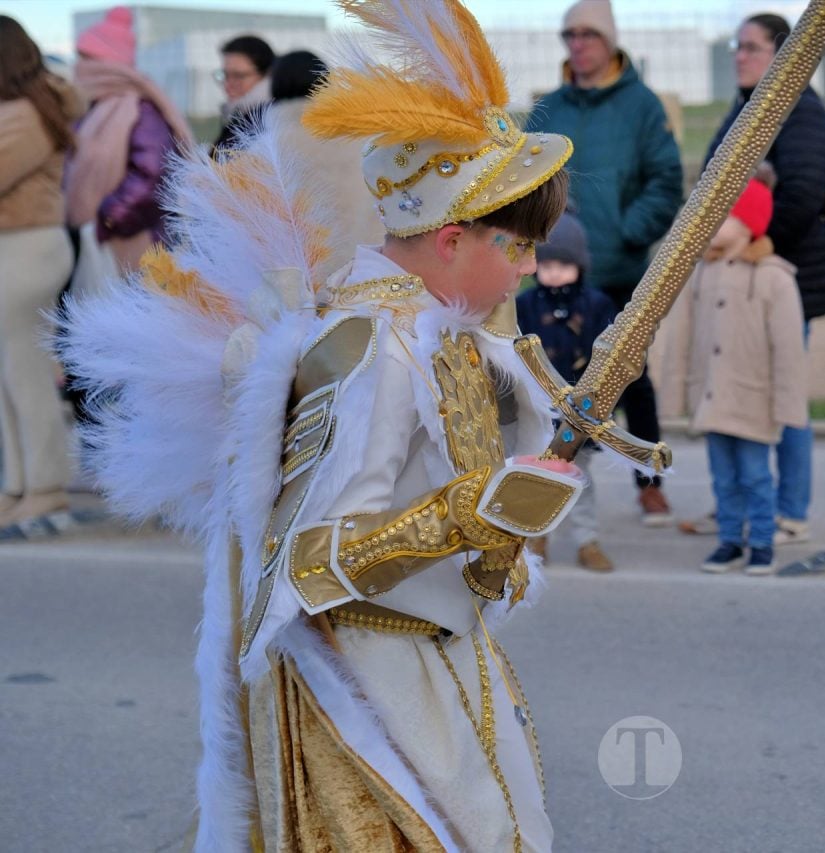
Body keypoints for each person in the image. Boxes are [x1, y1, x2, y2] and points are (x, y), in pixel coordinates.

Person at [61, 1, 592, 848]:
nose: (529, 267)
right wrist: (472, 512)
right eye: (516, 247)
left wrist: (505, 530)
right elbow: (307, 559)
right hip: (369, 682)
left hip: (447, 664)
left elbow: (479, 533)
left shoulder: (451, 330)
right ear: (452, 239)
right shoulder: (374, 349)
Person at [525, 0, 684, 527]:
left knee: (633, 382)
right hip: (552, 271)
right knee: (549, 380)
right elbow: (523, 178)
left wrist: (626, 231)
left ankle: (650, 485)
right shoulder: (549, 108)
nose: (577, 44)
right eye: (569, 35)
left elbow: (665, 181)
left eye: (588, 34)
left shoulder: (642, 106)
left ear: (610, 40)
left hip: (617, 272)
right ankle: (543, 488)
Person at [704, 12, 825, 547]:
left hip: (784, 280)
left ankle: (790, 511)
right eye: (738, 46)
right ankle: (741, 508)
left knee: (784, 395)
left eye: (753, 47)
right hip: (739, 282)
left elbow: (803, 193)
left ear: (783, 55)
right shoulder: (750, 109)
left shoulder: (799, 110)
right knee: (740, 395)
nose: (740, 55)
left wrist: (753, 243)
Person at [657, 165, 808, 576]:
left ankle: (761, 543)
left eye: (722, 215)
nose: (711, 222)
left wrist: (787, 405)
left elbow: (789, 350)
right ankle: (729, 541)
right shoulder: (700, 271)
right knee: (722, 476)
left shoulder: (774, 278)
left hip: (753, 396)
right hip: (712, 396)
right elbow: (681, 337)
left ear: (747, 223)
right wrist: (675, 396)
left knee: (756, 475)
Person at [0, 15, 82, 535]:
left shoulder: (25, 114)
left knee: (24, 372)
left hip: (25, 247)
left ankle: (46, 488)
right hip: (19, 247)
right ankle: (19, 485)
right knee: (10, 374)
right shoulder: (25, 109)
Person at [517, 212, 617, 572]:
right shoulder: (525, 306)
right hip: (541, 411)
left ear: (579, 264)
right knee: (540, 478)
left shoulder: (597, 305)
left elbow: (609, 360)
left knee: (582, 480)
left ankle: (587, 541)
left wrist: (601, 406)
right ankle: (537, 537)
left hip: (582, 411)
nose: (554, 271)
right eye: (547, 263)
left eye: (564, 263)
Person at [65, 6, 193, 279]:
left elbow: (154, 173)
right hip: (92, 237)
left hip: (132, 244)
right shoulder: (93, 108)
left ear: (108, 62)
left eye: (88, 58)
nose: (80, 67)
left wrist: (110, 218)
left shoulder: (141, 109)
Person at [268, 50, 383, 274]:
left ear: (274, 87)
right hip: (365, 278)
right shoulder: (362, 141)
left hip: (300, 286)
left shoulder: (270, 149)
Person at [211, 33, 273, 154]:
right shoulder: (239, 116)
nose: (227, 85)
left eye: (238, 76)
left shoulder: (269, 123)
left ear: (266, 76)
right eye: (225, 75)